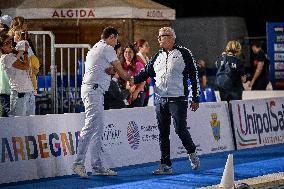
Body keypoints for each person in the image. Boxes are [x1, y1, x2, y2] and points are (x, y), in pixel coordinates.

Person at [130, 27, 200, 174]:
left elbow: (194, 76)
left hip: (178, 99)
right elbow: (145, 73)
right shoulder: (157, 56)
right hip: (160, 99)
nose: (159, 39)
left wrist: (195, 97)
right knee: (163, 132)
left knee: (180, 129)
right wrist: (130, 79)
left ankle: (192, 153)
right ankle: (165, 165)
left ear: (171, 38)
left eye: (162, 36)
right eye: (159, 36)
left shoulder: (184, 53)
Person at [72, 26, 131, 178]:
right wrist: (134, 78)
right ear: (111, 37)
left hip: (94, 91)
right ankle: (78, 163)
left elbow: (106, 69)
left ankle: (97, 166)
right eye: (116, 38)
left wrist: (112, 71)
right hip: (93, 91)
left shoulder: (96, 47)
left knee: (98, 129)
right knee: (91, 126)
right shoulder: (108, 48)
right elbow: (121, 72)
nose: (116, 41)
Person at [0, 34, 35, 116]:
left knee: (31, 125)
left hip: (29, 93)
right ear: (1, 47)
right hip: (20, 95)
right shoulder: (5, 58)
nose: (10, 44)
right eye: (7, 43)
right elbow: (25, 66)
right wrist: (24, 52)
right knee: (19, 126)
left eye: (10, 41)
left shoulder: (14, 54)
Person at [134, 39, 151, 106]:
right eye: (146, 46)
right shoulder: (137, 58)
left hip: (147, 85)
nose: (148, 47)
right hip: (140, 86)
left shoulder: (147, 58)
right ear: (140, 48)